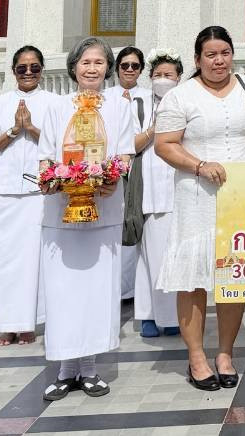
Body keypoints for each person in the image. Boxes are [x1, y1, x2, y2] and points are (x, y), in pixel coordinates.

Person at [154, 26, 245, 391]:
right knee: (193, 278)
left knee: (232, 277)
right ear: (197, 60)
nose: (218, 60)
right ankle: (196, 357)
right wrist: (199, 165)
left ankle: (225, 353)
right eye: (210, 54)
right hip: (196, 195)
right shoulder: (180, 96)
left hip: (240, 196)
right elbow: (164, 144)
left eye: (224, 53)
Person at [36, 37, 137, 401]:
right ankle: (65, 369)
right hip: (60, 213)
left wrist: (111, 180)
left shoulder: (119, 107)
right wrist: (51, 179)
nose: (91, 68)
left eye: (98, 62)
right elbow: (46, 155)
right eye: (85, 62)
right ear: (74, 67)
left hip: (103, 211)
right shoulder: (55, 106)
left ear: (106, 68)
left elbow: (125, 155)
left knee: (97, 290)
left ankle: (90, 368)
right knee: (63, 291)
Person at [0, 45, 60, 347]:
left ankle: (28, 324)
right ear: (13, 71)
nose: (28, 73)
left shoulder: (54, 102)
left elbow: (59, 145)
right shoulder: (0, 103)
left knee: (33, 259)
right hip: (3, 189)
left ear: (42, 71)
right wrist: (14, 130)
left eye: (34, 67)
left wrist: (32, 128)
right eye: (22, 68)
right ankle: (8, 324)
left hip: (38, 190)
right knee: (4, 260)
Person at [134, 49, 183, 339]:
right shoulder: (140, 103)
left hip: (177, 185)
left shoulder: (186, 101)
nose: (163, 80)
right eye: (158, 75)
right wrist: (155, 128)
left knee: (171, 254)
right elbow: (130, 142)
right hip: (149, 186)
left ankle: (170, 314)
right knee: (150, 253)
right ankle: (149, 314)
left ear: (179, 78)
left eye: (169, 75)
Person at [107, 46, 152, 303]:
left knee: (138, 221)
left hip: (142, 163)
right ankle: (117, 286)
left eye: (135, 66)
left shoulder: (149, 96)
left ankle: (135, 287)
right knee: (118, 223)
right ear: (117, 68)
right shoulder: (107, 96)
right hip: (114, 164)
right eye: (125, 66)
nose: (130, 70)